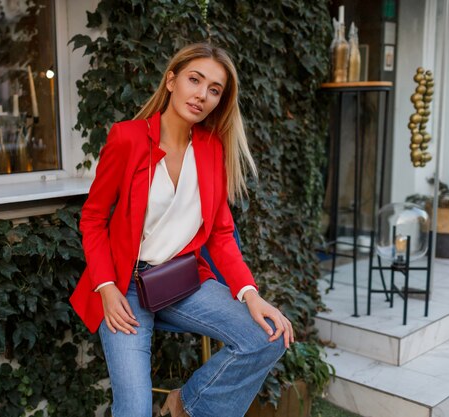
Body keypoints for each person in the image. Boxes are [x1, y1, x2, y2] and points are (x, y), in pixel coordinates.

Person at [70, 43, 294, 417]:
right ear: (171, 80)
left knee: (268, 337)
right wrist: (106, 288)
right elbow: (93, 218)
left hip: (180, 283)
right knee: (135, 412)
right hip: (124, 288)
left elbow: (221, 234)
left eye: (214, 89)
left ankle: (188, 404)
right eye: (195, 79)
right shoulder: (127, 138)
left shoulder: (212, 149)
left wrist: (251, 294)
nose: (202, 94)